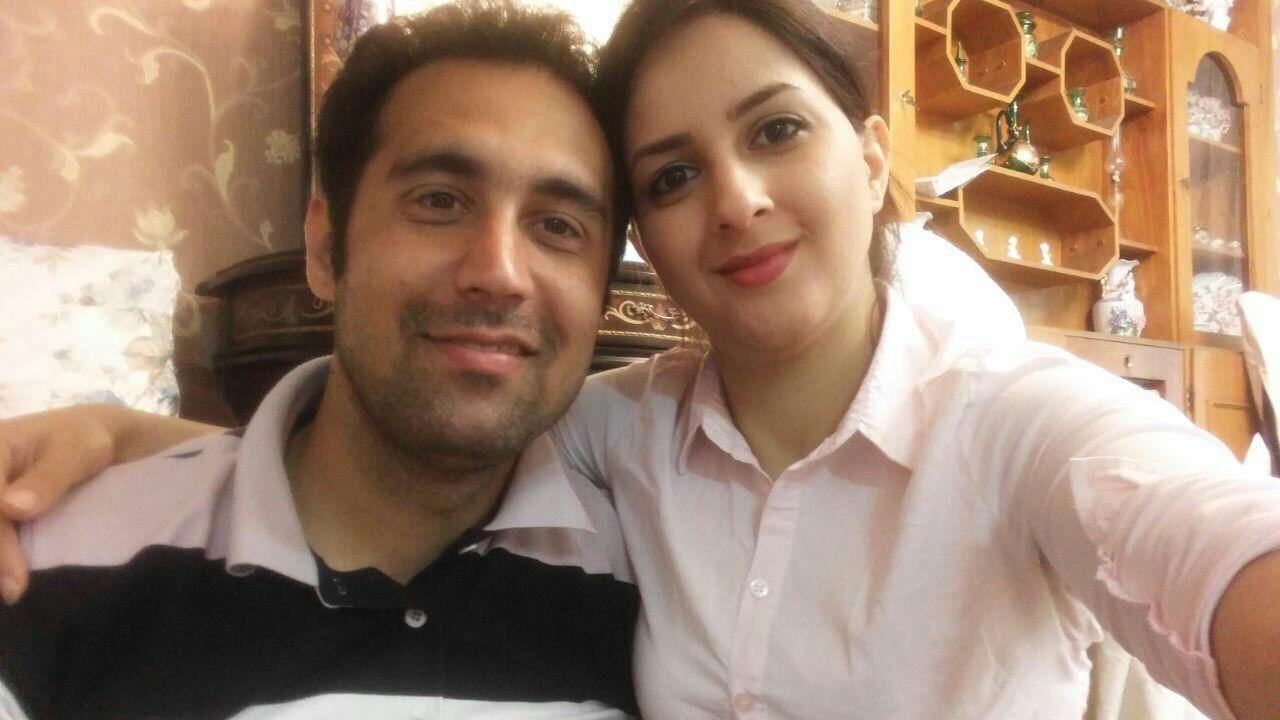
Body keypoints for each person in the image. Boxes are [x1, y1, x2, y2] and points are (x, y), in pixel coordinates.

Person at [4, 0, 1280, 718]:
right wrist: (120, 442)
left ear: (873, 158)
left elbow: (1200, 536)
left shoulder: (1018, 423)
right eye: (670, 176)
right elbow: (387, 438)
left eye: (775, 132)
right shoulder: (611, 439)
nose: (735, 200)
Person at [0, 2, 641, 718]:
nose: (500, 272)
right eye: (439, 200)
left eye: (558, 226)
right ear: (324, 247)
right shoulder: (50, 564)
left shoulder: (660, 579)